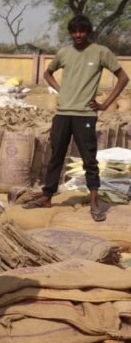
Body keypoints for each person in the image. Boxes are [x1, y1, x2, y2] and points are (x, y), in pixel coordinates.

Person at [23, 15, 129, 221]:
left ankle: (94, 203)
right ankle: (47, 197)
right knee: (56, 156)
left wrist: (105, 104)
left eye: (82, 31)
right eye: (74, 32)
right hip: (63, 114)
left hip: (85, 115)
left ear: (88, 32)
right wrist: (60, 90)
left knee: (89, 159)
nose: (78, 35)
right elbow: (47, 73)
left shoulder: (100, 52)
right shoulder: (64, 53)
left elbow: (123, 78)